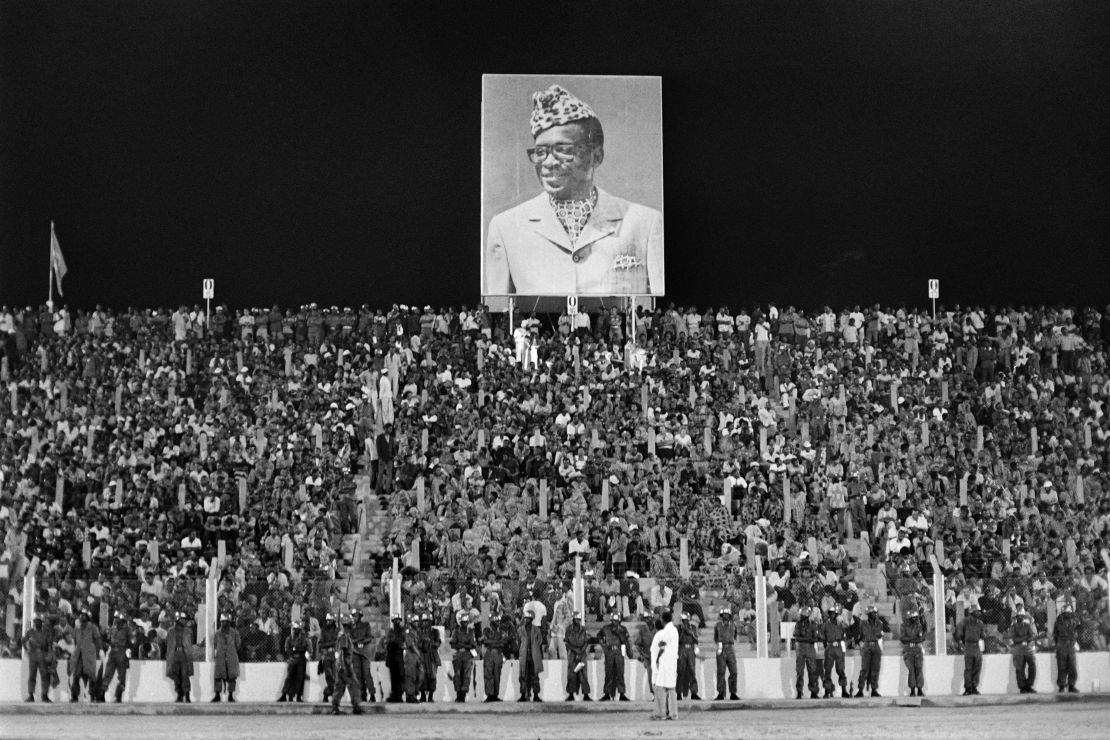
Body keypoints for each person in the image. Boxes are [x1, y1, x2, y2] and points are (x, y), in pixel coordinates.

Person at [484, 84, 664, 296]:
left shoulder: (644, 223)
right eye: (541, 152)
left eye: (563, 151)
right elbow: (499, 313)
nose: (549, 163)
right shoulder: (506, 228)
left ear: (596, 156)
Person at [330, 614, 364, 715]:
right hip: (345, 664)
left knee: (339, 686)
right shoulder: (344, 636)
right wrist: (346, 667)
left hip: (341, 665)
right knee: (354, 685)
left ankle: (335, 707)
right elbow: (343, 652)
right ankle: (356, 706)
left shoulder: (343, 635)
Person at [649, 611, 679, 721]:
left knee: (660, 687)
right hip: (672, 662)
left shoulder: (665, 631)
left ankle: (661, 713)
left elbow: (661, 645)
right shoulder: (675, 630)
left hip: (665, 662)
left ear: (663, 620)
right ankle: (673, 713)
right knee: (671, 688)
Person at [69, 609, 102, 703]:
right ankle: (74, 695)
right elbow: (75, 641)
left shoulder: (92, 627)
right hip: (79, 654)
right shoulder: (77, 628)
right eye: (81, 615)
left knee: (92, 675)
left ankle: (94, 695)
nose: (81, 617)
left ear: (87, 617)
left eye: (84, 615)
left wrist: (100, 650)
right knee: (76, 675)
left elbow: (98, 639)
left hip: (89, 654)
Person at [598, 612, 631, 701]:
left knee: (620, 673)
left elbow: (626, 641)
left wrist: (620, 634)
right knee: (608, 673)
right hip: (609, 652)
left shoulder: (623, 629)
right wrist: (604, 646)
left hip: (619, 652)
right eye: (613, 620)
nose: (615, 622)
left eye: (617, 620)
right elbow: (599, 636)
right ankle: (607, 694)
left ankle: (622, 694)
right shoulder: (605, 628)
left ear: (619, 620)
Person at [101, 612, 132, 703]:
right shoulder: (112, 629)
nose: (117, 622)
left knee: (121, 675)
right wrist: (106, 641)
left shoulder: (127, 630)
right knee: (108, 673)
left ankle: (118, 695)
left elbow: (132, 641)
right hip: (112, 652)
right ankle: (102, 693)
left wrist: (128, 652)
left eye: (119, 620)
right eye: (116, 619)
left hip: (122, 652)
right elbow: (106, 638)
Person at [165, 611, 195, 703]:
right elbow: (168, 643)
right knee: (176, 675)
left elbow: (191, 642)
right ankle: (179, 694)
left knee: (185, 675)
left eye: (185, 619)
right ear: (178, 619)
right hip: (174, 655)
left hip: (184, 655)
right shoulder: (171, 631)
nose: (185, 621)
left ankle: (187, 695)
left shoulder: (188, 631)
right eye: (183, 619)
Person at [955, 603, 985, 695]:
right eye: (977, 611)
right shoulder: (964, 622)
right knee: (968, 668)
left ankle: (974, 686)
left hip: (977, 646)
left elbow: (982, 636)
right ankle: (968, 687)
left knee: (977, 667)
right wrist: (960, 643)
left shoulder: (980, 623)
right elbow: (959, 633)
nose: (978, 613)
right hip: (968, 646)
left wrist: (982, 645)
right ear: (972, 612)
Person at [855, 604, 884, 697]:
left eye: (875, 612)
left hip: (876, 645)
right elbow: (860, 635)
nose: (875, 614)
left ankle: (874, 689)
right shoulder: (863, 623)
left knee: (876, 668)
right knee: (864, 669)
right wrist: (860, 644)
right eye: (873, 613)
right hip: (867, 645)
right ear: (869, 614)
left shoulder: (880, 623)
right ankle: (860, 689)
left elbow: (880, 635)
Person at [22, 615, 54, 702]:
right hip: (33, 655)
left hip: (43, 654)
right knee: (32, 675)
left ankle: (44, 695)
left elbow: (50, 644)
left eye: (39, 621)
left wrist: (50, 654)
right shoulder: (30, 632)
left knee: (45, 676)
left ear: (42, 622)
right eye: (36, 621)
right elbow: (23, 640)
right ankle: (31, 695)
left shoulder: (46, 632)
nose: (37, 622)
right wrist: (27, 649)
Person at [1008, 602, 1038, 693]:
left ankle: (1029, 685)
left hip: (1028, 647)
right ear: (1016, 617)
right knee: (1019, 667)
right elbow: (1012, 637)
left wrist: (1023, 639)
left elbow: (1032, 636)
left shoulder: (1028, 625)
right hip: (1018, 647)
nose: (1020, 617)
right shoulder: (1013, 626)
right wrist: (1024, 639)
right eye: (1018, 616)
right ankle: (1022, 687)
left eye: (1021, 616)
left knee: (1032, 665)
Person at [348, 608, 376, 703]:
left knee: (367, 674)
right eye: (353, 616)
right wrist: (359, 640)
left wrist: (358, 641)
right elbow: (349, 640)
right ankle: (362, 695)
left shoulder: (366, 625)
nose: (354, 617)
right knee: (358, 675)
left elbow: (369, 638)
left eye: (356, 615)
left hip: (365, 652)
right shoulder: (351, 627)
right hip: (355, 652)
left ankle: (372, 694)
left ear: (360, 616)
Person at [819, 607, 848, 698]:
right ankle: (827, 691)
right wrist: (826, 645)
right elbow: (823, 636)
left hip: (839, 646)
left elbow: (845, 634)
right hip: (830, 646)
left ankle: (844, 690)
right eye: (831, 613)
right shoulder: (826, 625)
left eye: (834, 613)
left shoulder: (841, 624)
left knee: (840, 669)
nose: (833, 615)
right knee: (827, 670)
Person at [212, 613, 242, 702]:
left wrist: (230, 651)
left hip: (231, 657)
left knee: (232, 677)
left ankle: (230, 696)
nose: (224, 624)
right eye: (223, 622)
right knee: (218, 677)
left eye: (226, 622)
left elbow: (238, 645)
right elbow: (215, 645)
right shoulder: (217, 633)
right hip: (220, 657)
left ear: (229, 622)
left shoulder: (235, 633)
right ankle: (217, 695)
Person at [517, 607, 545, 702]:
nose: (526, 620)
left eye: (528, 618)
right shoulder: (521, 629)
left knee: (535, 676)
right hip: (524, 654)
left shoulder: (536, 629)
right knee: (523, 675)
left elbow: (540, 641)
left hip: (533, 655)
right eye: (525, 618)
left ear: (531, 619)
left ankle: (536, 694)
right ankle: (523, 694)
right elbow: (518, 641)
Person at [1052, 600, 1080, 693]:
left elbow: (1078, 627)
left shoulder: (1074, 619)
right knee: (1062, 666)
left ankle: (1071, 685)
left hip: (1070, 644)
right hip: (1062, 644)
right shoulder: (1059, 620)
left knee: (1072, 665)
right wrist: (1058, 644)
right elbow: (1055, 633)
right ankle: (1062, 685)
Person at [713, 606, 740, 701]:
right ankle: (721, 693)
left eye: (727, 614)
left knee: (734, 671)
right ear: (721, 615)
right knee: (720, 671)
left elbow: (735, 635)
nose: (725, 616)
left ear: (730, 616)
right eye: (724, 614)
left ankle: (733, 693)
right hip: (721, 647)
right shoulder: (717, 625)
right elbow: (715, 638)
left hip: (730, 648)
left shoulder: (733, 625)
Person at [450, 613, 477, 703]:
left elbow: (473, 645)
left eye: (466, 622)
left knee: (466, 676)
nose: (465, 624)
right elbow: (453, 644)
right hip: (458, 655)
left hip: (467, 655)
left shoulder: (470, 631)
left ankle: (463, 695)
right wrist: (465, 645)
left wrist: (461, 645)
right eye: (463, 622)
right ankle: (458, 694)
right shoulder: (456, 631)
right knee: (457, 675)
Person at [280, 620, 310, 702]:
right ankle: (284, 694)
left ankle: (299, 696)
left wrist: (305, 657)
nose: (295, 631)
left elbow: (308, 649)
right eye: (294, 629)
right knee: (289, 677)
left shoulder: (304, 639)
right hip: (292, 659)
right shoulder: (289, 638)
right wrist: (290, 657)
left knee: (300, 678)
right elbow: (287, 649)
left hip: (301, 659)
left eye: (297, 629)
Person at [794, 606, 820, 699]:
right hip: (801, 649)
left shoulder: (813, 624)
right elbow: (796, 637)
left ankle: (813, 692)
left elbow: (815, 638)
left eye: (802, 615)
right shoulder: (798, 624)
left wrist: (805, 639)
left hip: (809, 649)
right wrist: (808, 639)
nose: (801, 616)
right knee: (799, 671)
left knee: (812, 671)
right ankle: (799, 692)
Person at [564, 612, 592, 701]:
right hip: (572, 653)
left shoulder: (583, 629)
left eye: (579, 619)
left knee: (583, 674)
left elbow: (586, 642)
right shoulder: (568, 629)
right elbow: (567, 643)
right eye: (576, 619)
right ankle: (571, 694)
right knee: (571, 674)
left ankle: (586, 694)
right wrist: (575, 651)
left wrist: (580, 652)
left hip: (582, 653)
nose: (578, 621)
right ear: (573, 619)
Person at [900, 607, 926, 697]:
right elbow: (902, 639)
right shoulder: (903, 626)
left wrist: (911, 640)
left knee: (919, 669)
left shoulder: (919, 626)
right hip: (908, 650)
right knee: (911, 670)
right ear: (909, 618)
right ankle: (912, 690)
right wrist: (913, 639)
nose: (916, 619)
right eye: (914, 617)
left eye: (916, 617)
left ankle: (919, 689)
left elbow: (921, 638)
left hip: (917, 650)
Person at [482, 614, 508, 702]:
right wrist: (497, 642)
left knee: (497, 675)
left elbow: (503, 643)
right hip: (489, 653)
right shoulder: (486, 631)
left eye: (498, 621)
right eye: (496, 621)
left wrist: (492, 642)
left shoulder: (502, 631)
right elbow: (485, 642)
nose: (497, 623)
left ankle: (495, 695)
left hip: (498, 653)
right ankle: (489, 694)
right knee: (488, 674)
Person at [676, 612, 700, 700]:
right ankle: (678, 693)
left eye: (686, 620)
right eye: (683, 620)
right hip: (681, 648)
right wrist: (682, 631)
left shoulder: (693, 627)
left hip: (690, 648)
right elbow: (677, 640)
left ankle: (694, 692)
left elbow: (696, 639)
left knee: (692, 671)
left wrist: (688, 631)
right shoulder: (678, 628)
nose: (684, 622)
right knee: (680, 671)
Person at [419, 612, 441, 702]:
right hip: (422, 655)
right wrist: (423, 644)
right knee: (422, 676)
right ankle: (423, 695)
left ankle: (431, 695)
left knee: (432, 676)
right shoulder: (419, 631)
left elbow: (438, 642)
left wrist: (430, 643)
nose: (425, 623)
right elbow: (417, 643)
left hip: (432, 655)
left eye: (427, 621)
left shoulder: (435, 631)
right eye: (424, 621)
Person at [403, 614, 424, 703]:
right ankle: (410, 695)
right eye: (414, 621)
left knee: (420, 675)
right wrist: (419, 654)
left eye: (417, 621)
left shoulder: (417, 631)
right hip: (410, 654)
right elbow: (411, 645)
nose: (416, 623)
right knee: (410, 676)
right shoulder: (408, 631)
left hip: (416, 654)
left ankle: (414, 692)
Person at [318, 613, 339, 703]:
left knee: (335, 678)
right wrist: (332, 643)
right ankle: (333, 693)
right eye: (327, 620)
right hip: (326, 656)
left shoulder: (338, 630)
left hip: (335, 656)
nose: (328, 622)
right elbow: (320, 644)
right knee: (329, 676)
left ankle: (327, 693)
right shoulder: (323, 631)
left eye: (330, 620)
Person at [385, 615, 405, 702]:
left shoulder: (402, 631)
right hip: (392, 656)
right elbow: (387, 643)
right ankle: (394, 695)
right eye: (395, 620)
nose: (396, 622)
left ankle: (399, 695)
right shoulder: (391, 632)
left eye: (398, 620)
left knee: (400, 676)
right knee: (393, 677)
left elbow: (402, 642)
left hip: (399, 656)